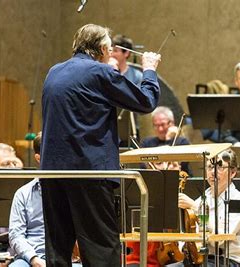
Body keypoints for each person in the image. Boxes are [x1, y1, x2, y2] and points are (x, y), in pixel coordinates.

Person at [40, 23, 161, 266]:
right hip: (88, 172)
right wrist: (149, 71)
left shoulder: (53, 71)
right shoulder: (99, 73)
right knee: (101, 249)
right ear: (104, 49)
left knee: (58, 249)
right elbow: (146, 102)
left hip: (51, 172)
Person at [178, 149, 240, 266]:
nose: (212, 172)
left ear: (233, 172)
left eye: (219, 167)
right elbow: (195, 229)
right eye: (209, 167)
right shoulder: (204, 197)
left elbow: (219, 238)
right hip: (202, 257)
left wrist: (195, 206)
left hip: (229, 261)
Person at [8, 132, 45, 267]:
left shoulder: (73, 192)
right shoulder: (23, 194)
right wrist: (33, 258)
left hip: (67, 258)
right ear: (38, 158)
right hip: (30, 258)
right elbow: (16, 235)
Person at [140, 106, 191, 174]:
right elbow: (143, 166)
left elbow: (181, 165)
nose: (160, 129)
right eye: (156, 125)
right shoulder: (146, 143)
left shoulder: (182, 142)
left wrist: (168, 139)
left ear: (172, 123)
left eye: (163, 124)